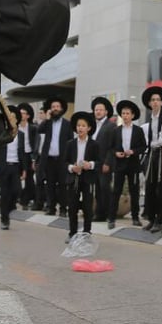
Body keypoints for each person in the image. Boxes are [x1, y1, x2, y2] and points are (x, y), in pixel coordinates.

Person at [0, 106, 32, 230]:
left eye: (14, 117)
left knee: (16, 191)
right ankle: (4, 219)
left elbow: (23, 153)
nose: (12, 119)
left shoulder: (21, 134)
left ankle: (9, 208)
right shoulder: (1, 133)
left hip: (16, 167)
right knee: (4, 194)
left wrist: (24, 169)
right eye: (10, 116)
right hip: (3, 167)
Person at [110, 99, 148, 228]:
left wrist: (133, 151)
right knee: (116, 191)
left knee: (134, 191)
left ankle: (135, 217)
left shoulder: (138, 130)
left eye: (127, 113)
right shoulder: (116, 130)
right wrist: (116, 153)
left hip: (133, 164)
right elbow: (112, 147)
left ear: (132, 116)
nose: (125, 116)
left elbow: (144, 147)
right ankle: (112, 218)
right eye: (123, 113)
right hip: (120, 164)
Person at [63, 111, 100, 240]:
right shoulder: (70, 144)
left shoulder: (94, 144)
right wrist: (72, 168)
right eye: (78, 125)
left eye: (83, 125)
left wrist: (90, 164)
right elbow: (64, 162)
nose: (80, 128)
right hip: (73, 178)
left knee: (87, 207)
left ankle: (86, 232)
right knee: (72, 207)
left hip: (88, 178)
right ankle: (72, 233)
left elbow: (99, 162)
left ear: (89, 128)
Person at [141, 86, 162, 233]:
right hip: (151, 155)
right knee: (150, 187)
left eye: (158, 100)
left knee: (161, 188)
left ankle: (160, 220)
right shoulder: (149, 119)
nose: (156, 102)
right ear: (150, 103)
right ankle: (151, 219)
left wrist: (158, 142)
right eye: (153, 100)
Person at [37, 98, 71, 218]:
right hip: (49, 160)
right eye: (53, 106)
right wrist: (46, 119)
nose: (55, 108)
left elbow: (70, 142)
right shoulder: (48, 123)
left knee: (62, 185)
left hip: (62, 160)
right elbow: (39, 130)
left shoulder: (68, 124)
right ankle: (50, 207)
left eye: (57, 106)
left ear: (61, 109)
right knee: (49, 184)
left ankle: (63, 209)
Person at [89, 97, 118, 227]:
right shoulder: (92, 125)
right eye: (96, 110)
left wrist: (108, 163)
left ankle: (107, 213)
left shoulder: (111, 126)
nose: (98, 112)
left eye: (101, 110)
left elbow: (113, 147)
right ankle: (98, 213)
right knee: (96, 189)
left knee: (105, 188)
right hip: (92, 163)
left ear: (106, 112)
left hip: (104, 162)